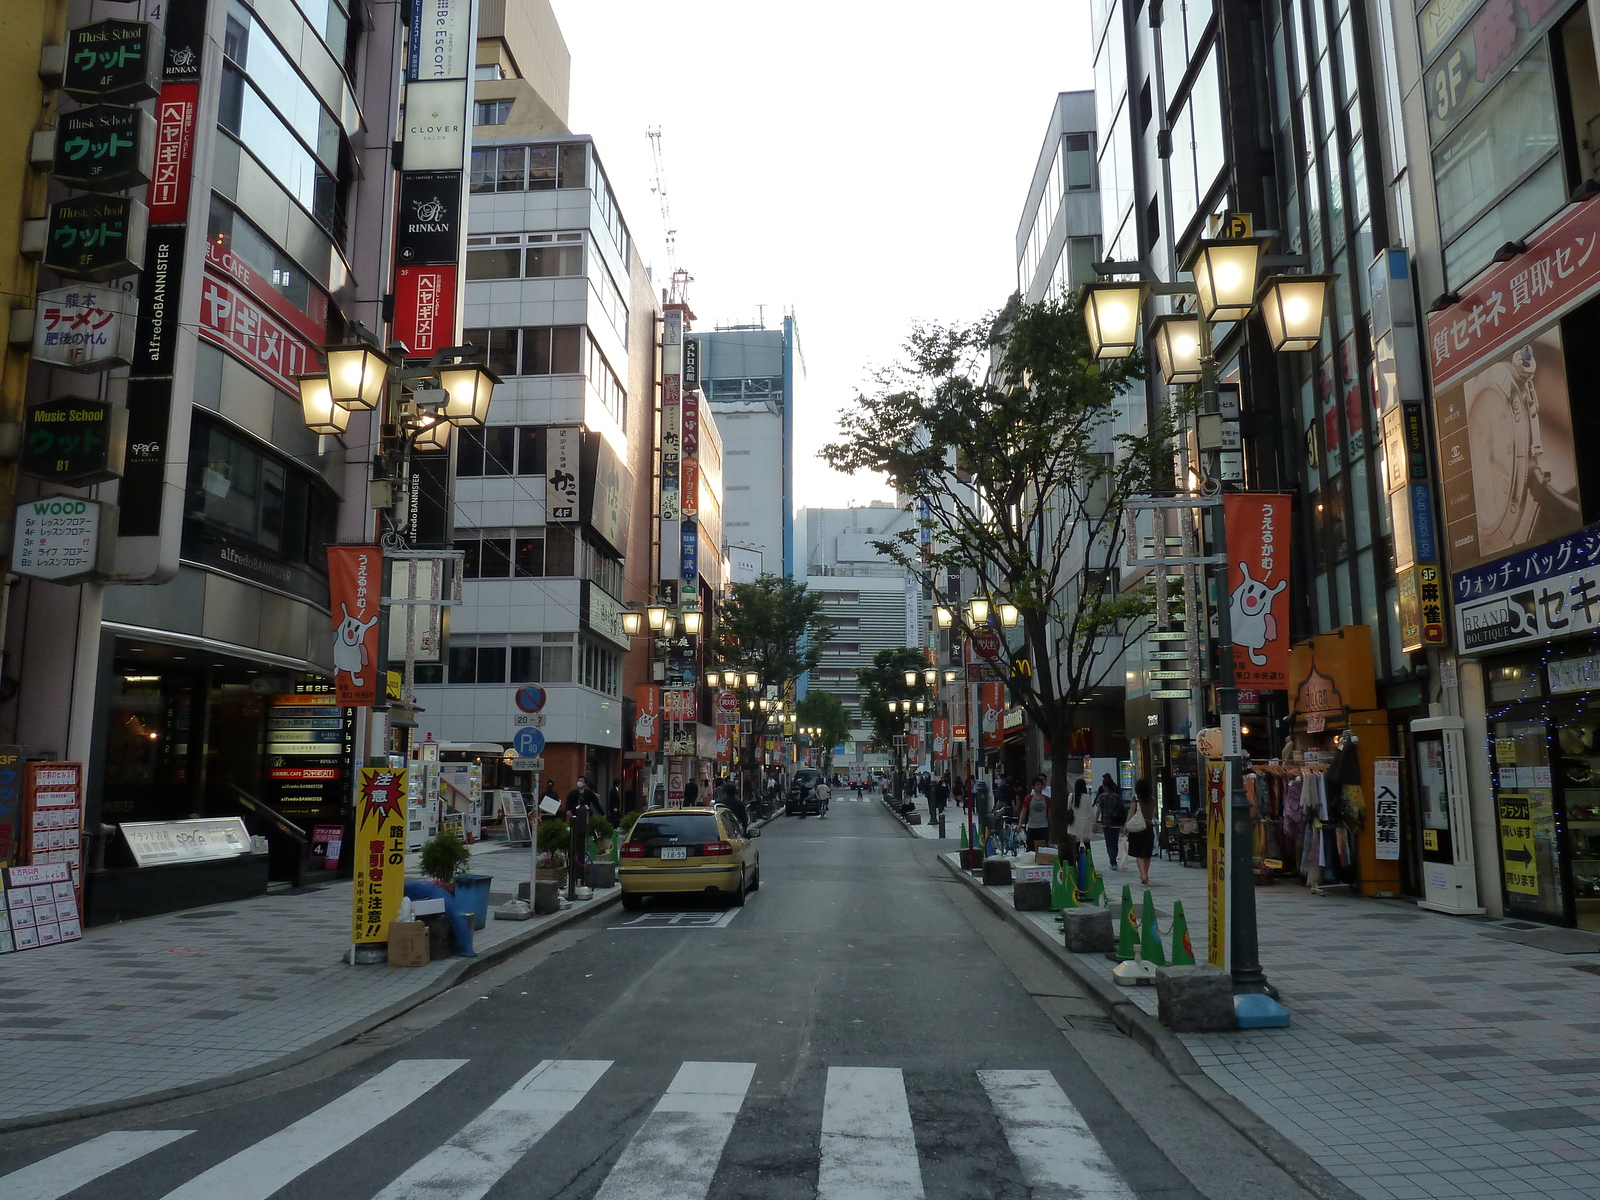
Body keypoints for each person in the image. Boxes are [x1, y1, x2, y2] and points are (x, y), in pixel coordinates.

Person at [1128, 778, 1158, 885]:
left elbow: (1132, 812)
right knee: (1147, 853)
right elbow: (1154, 813)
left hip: (1138, 828)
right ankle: (1146, 873)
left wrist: (1126, 825)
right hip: (1149, 827)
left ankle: (1143, 874)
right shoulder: (1153, 799)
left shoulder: (1135, 798)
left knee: (1139, 853)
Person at [1094, 773, 1126, 869]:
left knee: (1109, 842)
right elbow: (1122, 810)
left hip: (1106, 822)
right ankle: (1114, 859)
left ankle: (1112, 861)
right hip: (1116, 822)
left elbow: (1099, 811)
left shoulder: (1102, 797)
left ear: (1105, 786)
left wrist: (1095, 822)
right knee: (1115, 842)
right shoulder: (1117, 797)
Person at [1022, 775, 1051, 852]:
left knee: (1042, 849)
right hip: (1032, 826)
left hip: (1043, 827)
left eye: (1041, 785)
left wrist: (1050, 825)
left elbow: (1049, 814)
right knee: (1030, 848)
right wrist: (1020, 824)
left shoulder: (1047, 799)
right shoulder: (1028, 799)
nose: (1040, 786)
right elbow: (1023, 811)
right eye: (1037, 785)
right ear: (1033, 787)